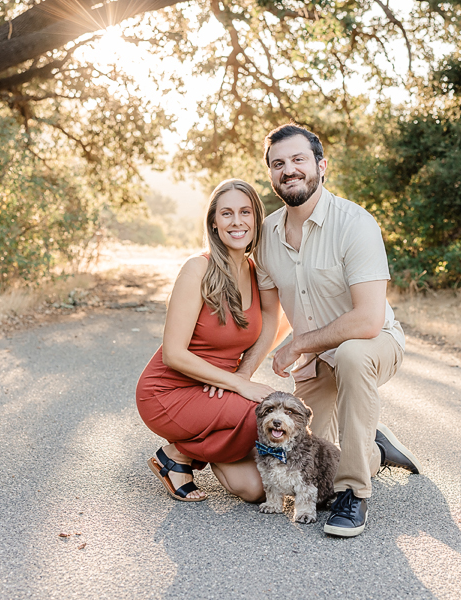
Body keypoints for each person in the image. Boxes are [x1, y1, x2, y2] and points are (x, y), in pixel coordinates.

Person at [237, 124, 421, 537]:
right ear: (271, 174)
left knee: (353, 354)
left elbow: (368, 319)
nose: (289, 170)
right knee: (312, 461)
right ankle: (375, 448)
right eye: (278, 163)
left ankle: (355, 493)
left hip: (373, 345)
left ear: (321, 166)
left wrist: (300, 343)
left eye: (298, 159)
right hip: (317, 361)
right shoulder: (266, 237)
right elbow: (270, 318)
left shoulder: (356, 224)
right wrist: (241, 377)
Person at [136, 179, 276, 503]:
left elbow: (272, 321)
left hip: (217, 391)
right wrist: (238, 386)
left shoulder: (258, 271)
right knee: (266, 411)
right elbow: (173, 354)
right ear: (214, 222)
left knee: (255, 489)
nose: (237, 221)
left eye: (245, 212)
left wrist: (242, 375)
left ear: (257, 218)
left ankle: (179, 456)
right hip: (168, 393)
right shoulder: (198, 268)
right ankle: (182, 452)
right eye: (227, 213)